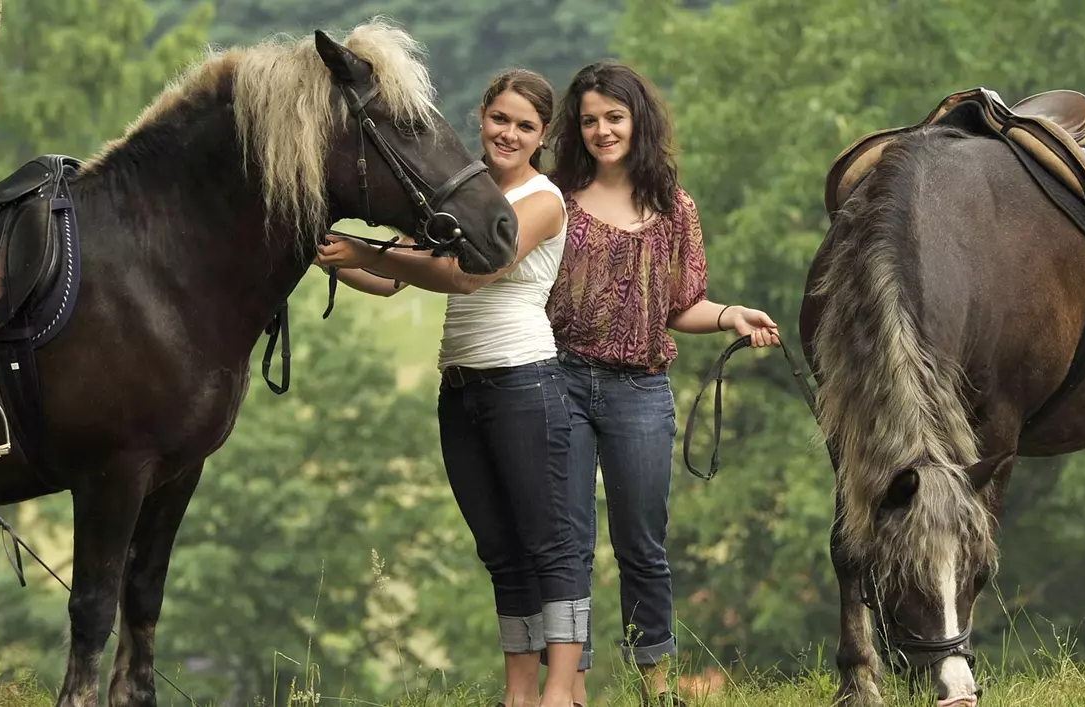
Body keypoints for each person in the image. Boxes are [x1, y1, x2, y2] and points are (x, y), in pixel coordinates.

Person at [315, 68, 588, 707]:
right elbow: (389, 282)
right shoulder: (457, 197)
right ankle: (518, 691)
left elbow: (471, 275)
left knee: (549, 543)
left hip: (524, 381)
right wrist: (323, 248)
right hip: (460, 390)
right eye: (500, 119)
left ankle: (558, 692)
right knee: (499, 546)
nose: (509, 134)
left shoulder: (544, 202)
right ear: (481, 117)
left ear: (542, 136)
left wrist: (365, 253)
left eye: (524, 126)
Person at [543, 59, 780, 706]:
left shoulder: (673, 207)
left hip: (640, 390)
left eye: (614, 117)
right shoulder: (553, 198)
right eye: (589, 120)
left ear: (637, 119)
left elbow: (682, 304)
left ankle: (657, 688)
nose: (601, 130)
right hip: (560, 381)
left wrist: (730, 314)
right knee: (567, 543)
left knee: (641, 545)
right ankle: (568, 689)